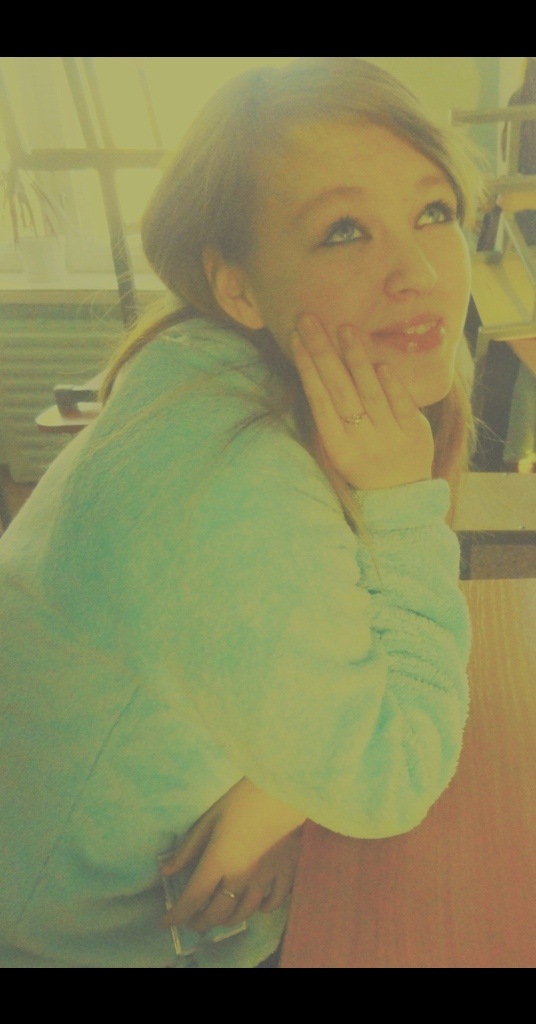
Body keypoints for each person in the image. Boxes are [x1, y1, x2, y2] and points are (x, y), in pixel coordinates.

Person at [0, 57, 480, 969]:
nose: (419, 271)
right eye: (344, 230)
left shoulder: (206, 361)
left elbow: (336, 628)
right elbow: (394, 778)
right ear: (238, 287)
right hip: (85, 941)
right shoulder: (234, 481)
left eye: (434, 210)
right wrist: (402, 509)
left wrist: (279, 792)